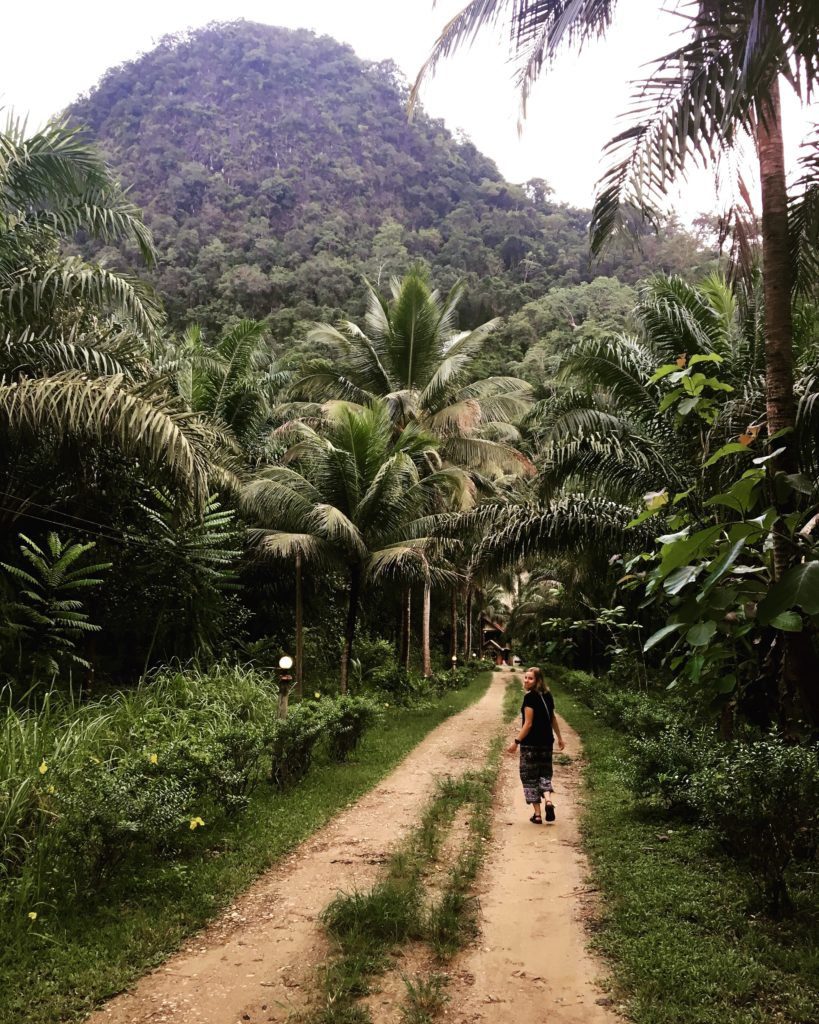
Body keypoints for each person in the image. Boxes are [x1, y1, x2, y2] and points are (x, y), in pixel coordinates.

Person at [507, 666, 565, 824]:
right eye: (525, 677)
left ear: (538, 681)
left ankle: (538, 815)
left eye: (530, 678)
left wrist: (516, 742)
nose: (526, 680)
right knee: (544, 774)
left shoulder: (529, 698)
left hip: (531, 744)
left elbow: (528, 724)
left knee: (529, 777)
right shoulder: (548, 695)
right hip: (547, 742)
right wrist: (559, 737)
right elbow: (552, 718)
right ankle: (548, 801)